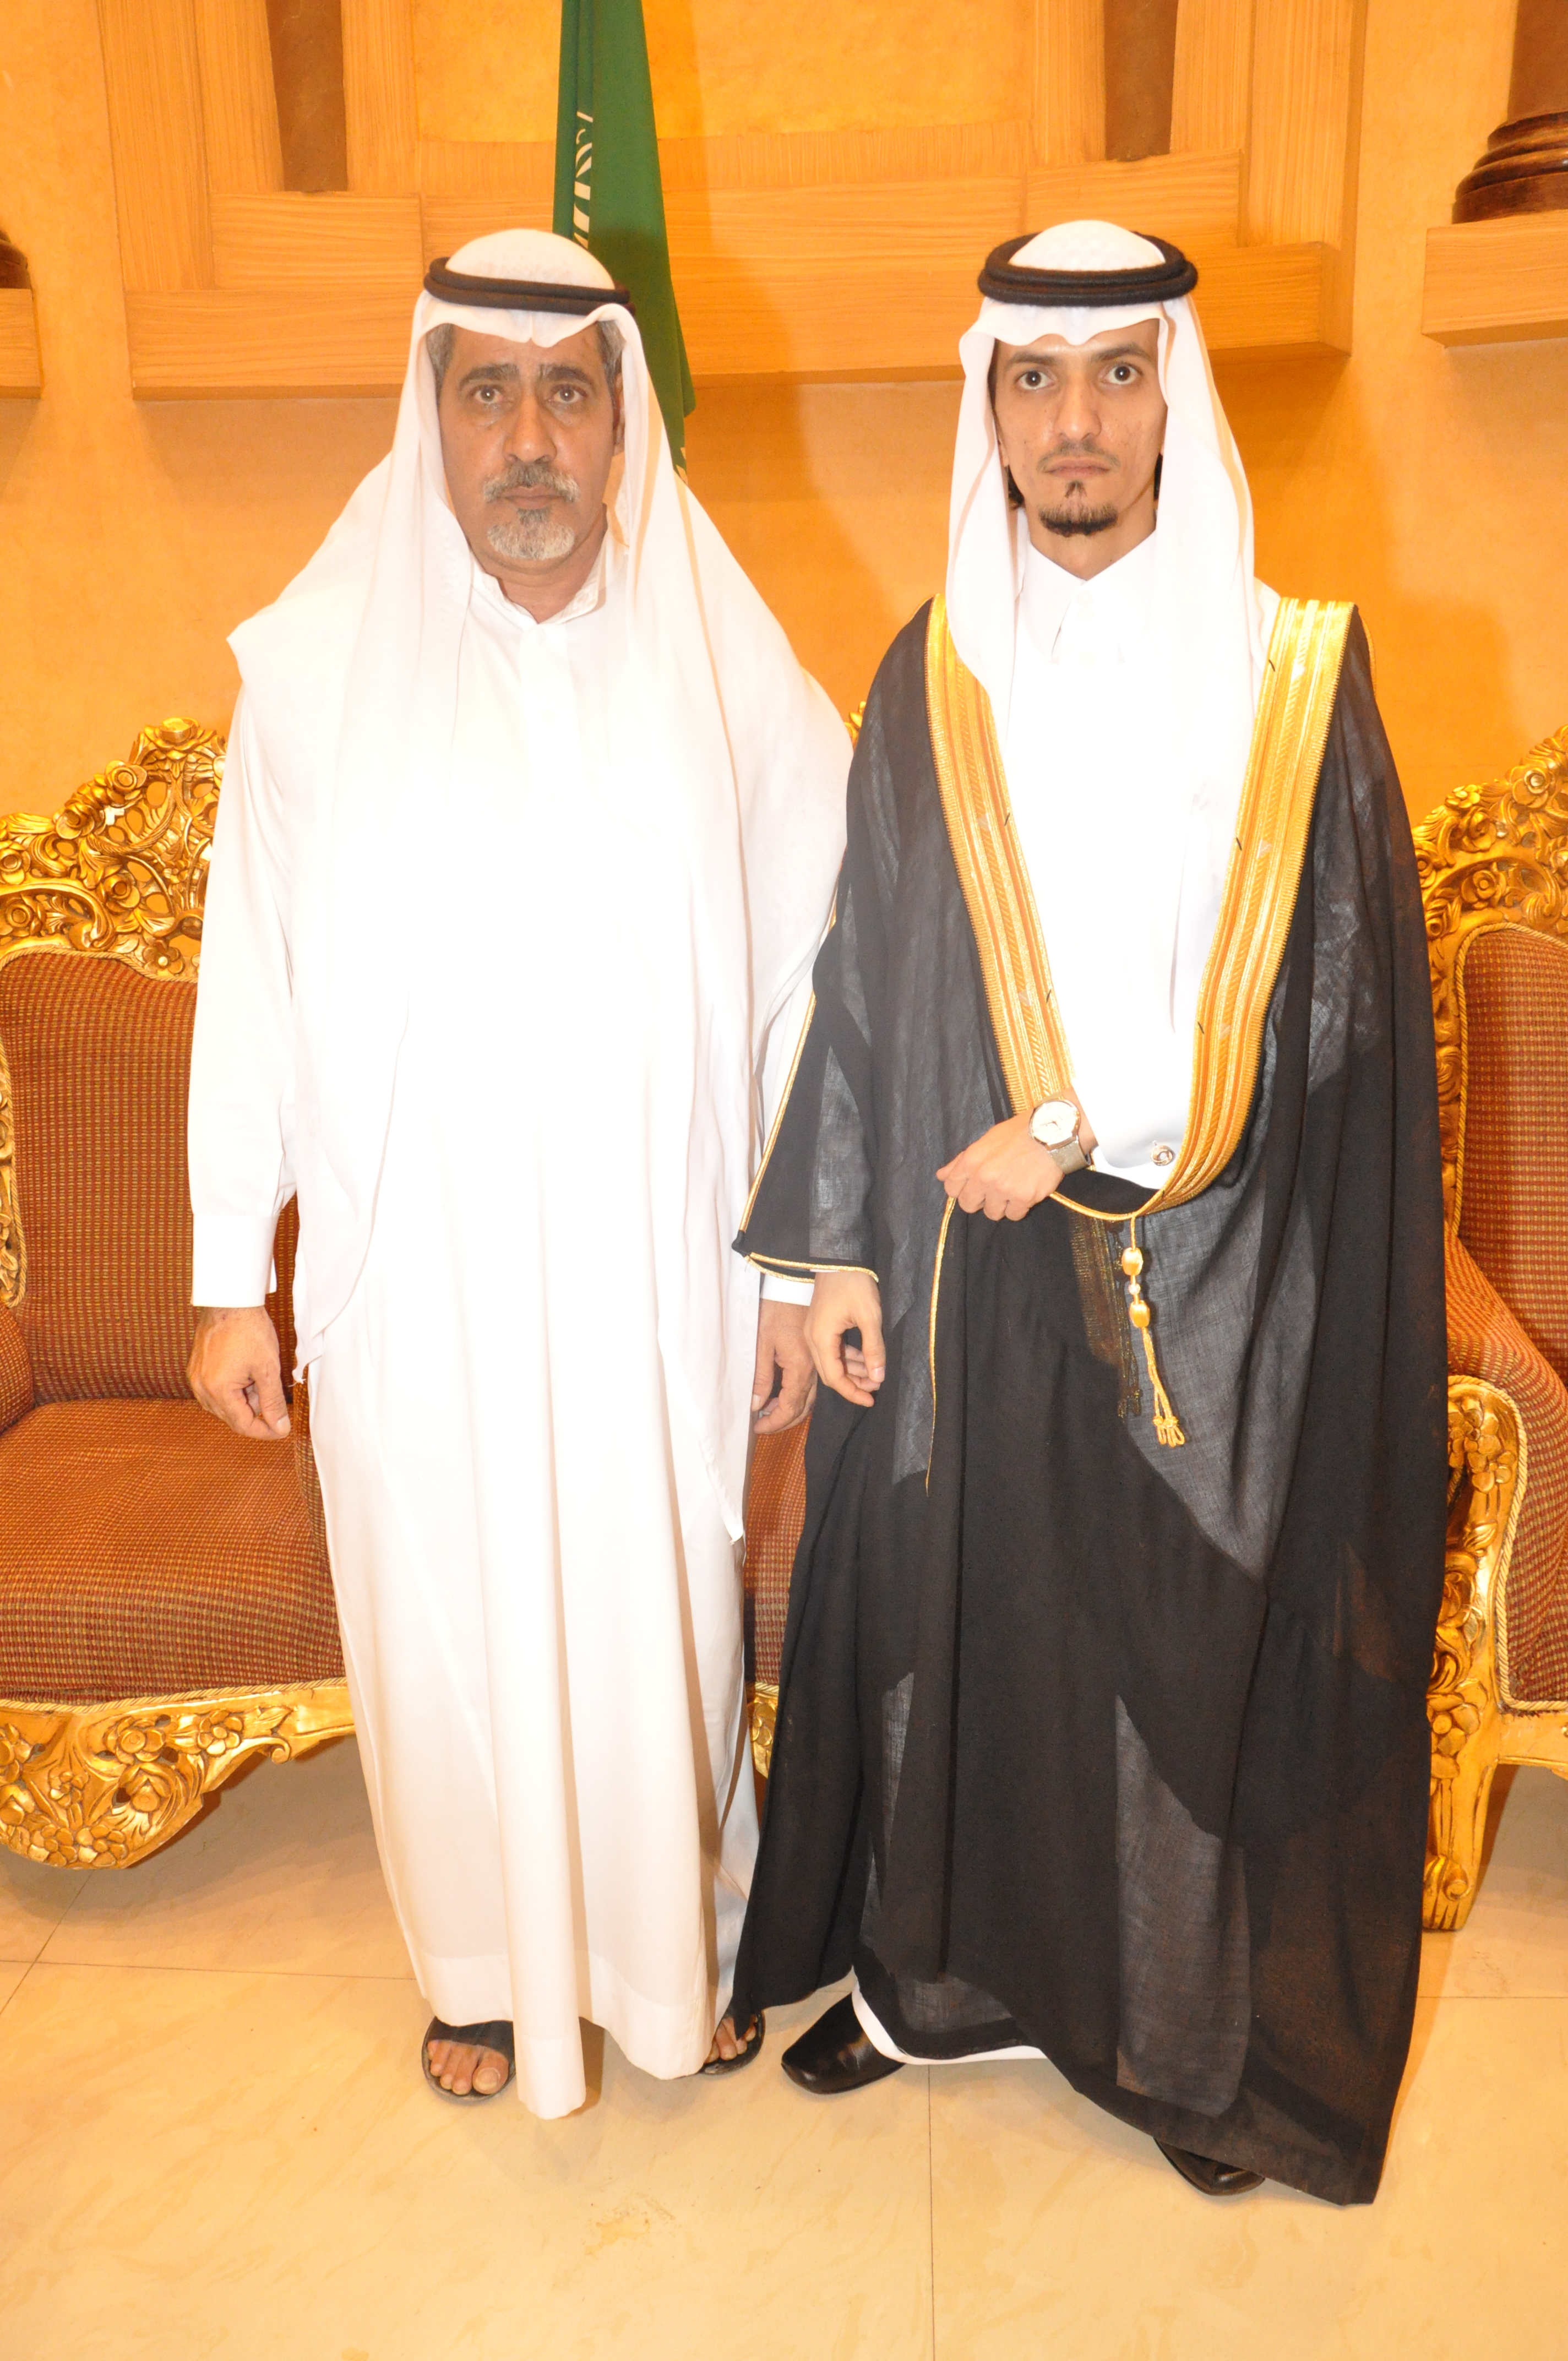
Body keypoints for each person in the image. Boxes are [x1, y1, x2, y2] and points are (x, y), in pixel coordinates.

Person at [728, 220, 1446, 2205]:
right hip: (972, 1278)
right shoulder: (934, 671)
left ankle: (1195, 2044)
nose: (1073, 422)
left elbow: (1331, 1001)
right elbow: (866, 975)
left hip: (1221, 1262)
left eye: (1117, 374)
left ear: (1173, 399)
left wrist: (1076, 1120)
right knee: (965, 1628)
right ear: (989, 409)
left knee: (1188, 1651)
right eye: (1032, 380)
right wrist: (838, 1246)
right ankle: (932, 1990)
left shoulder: (1298, 672)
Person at [187, 230, 844, 2116]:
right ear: (433, 416)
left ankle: (679, 1953)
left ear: (625, 424)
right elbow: (253, 973)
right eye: (489, 391)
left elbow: (821, 975)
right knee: (443, 1624)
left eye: (569, 392)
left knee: (664, 1619)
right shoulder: (317, 676)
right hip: (421, 1279)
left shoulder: (725, 667)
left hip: (661, 1266)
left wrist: (791, 1266)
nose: (531, 437)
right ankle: (479, 1975)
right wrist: (231, 1270)